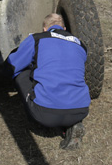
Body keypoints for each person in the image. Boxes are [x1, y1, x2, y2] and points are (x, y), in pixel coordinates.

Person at [5, 13, 90, 150]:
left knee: (21, 72)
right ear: (64, 28)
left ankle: (42, 109)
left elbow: (13, 65)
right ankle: (73, 123)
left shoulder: (37, 38)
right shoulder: (80, 45)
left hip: (45, 114)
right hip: (81, 109)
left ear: (44, 29)